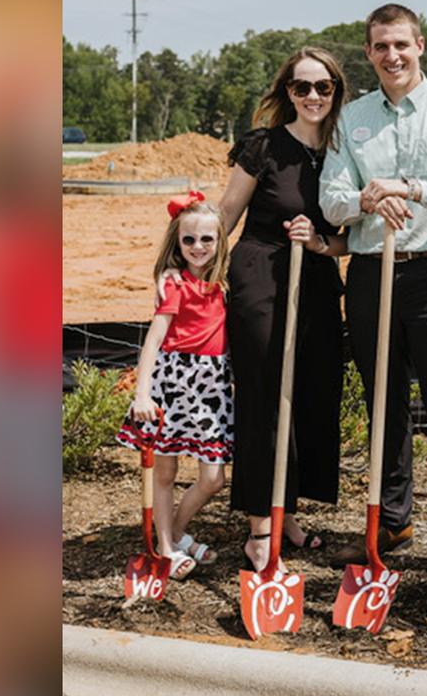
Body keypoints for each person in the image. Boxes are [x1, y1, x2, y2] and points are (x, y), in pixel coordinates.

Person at [321, 3, 427, 589]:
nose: (391, 56)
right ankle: (391, 522)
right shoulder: (353, 118)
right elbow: (331, 199)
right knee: (384, 403)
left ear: (420, 45)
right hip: (371, 274)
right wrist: (369, 199)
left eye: (401, 44)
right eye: (379, 47)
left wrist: (409, 187)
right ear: (368, 54)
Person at [219, 47, 350, 572]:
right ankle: (258, 524)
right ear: (287, 92)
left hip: (316, 278)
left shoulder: (345, 152)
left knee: (309, 396)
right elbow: (227, 212)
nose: (313, 96)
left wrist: (321, 241)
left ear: (337, 91)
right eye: (302, 87)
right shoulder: (264, 146)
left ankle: (286, 509)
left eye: (324, 87)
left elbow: (349, 241)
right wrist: (183, 269)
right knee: (267, 394)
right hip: (261, 277)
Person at [116, 192, 232, 580]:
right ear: (176, 242)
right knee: (164, 474)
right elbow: (153, 340)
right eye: (189, 240)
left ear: (220, 242)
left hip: (211, 387)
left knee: (213, 479)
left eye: (207, 239)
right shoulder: (173, 284)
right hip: (173, 382)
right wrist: (143, 392)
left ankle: (178, 530)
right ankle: (165, 546)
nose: (198, 247)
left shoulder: (225, 284)